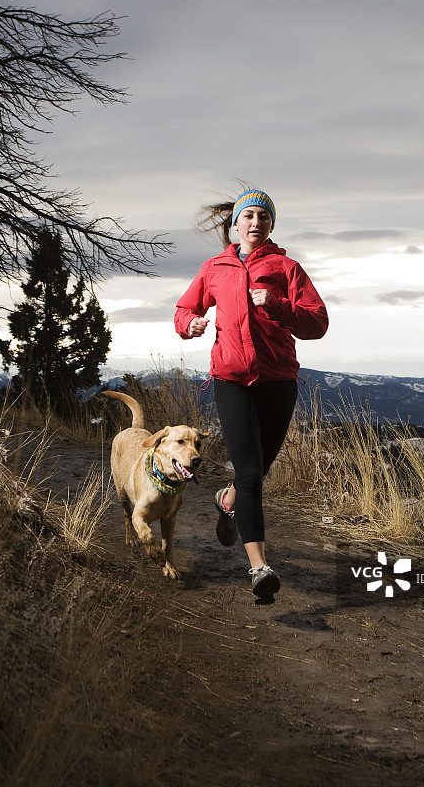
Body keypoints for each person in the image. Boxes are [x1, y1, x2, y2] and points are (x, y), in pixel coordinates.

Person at [174, 187, 328, 599]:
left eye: (263, 216)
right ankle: (259, 568)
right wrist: (189, 325)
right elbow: (184, 310)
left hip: (278, 381)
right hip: (231, 379)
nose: (256, 222)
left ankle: (227, 501)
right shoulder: (214, 268)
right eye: (249, 216)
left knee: (256, 472)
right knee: (248, 471)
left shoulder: (286, 267)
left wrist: (278, 304)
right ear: (235, 224)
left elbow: (317, 323)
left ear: (271, 224)